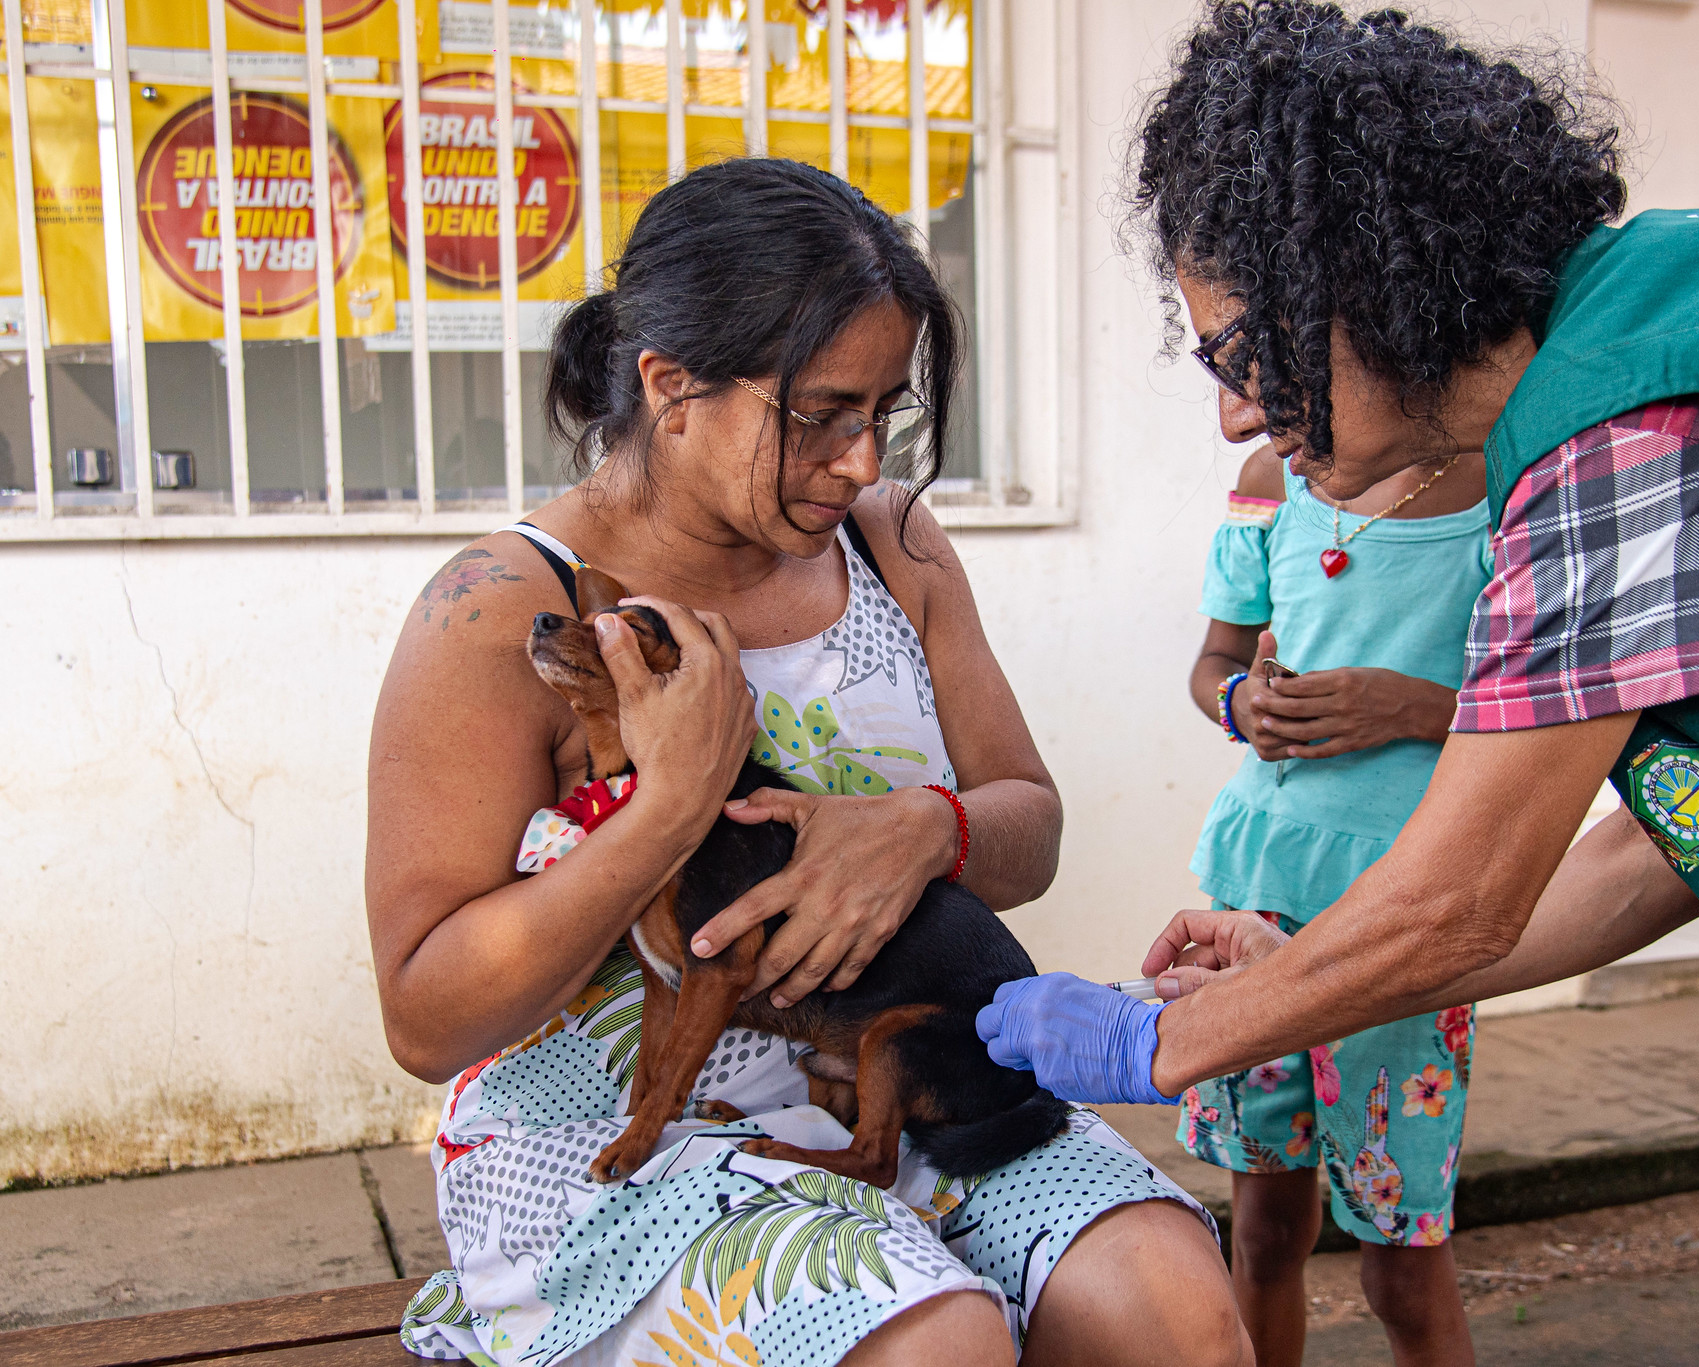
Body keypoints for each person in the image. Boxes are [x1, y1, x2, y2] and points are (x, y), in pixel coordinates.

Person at [974, 4, 1699, 1361]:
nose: (1236, 415)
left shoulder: (1632, 419)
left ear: (1363, 281)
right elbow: (1668, 849)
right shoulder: (1689, 298)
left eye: (1239, 356)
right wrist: (1308, 963)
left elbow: (1463, 901)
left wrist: (1155, 1043)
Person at [366, 158, 1248, 1367]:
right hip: (619, 1151)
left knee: (1176, 1307)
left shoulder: (891, 544)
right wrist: (667, 809)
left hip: (900, 1082)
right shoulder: (500, 609)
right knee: (934, 1344)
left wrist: (925, 827)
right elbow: (424, 1011)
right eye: (820, 413)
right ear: (670, 384)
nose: (856, 459)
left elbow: (1027, 823)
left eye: (880, 411)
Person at [1185, 437, 1488, 1367]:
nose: (1239, 408)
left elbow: (1551, 705)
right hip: (1257, 889)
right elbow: (1215, 663)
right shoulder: (1271, 485)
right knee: (1266, 1233)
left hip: (1407, 912)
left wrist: (1412, 707)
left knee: (1401, 1265)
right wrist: (1245, 704)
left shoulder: (1509, 479)